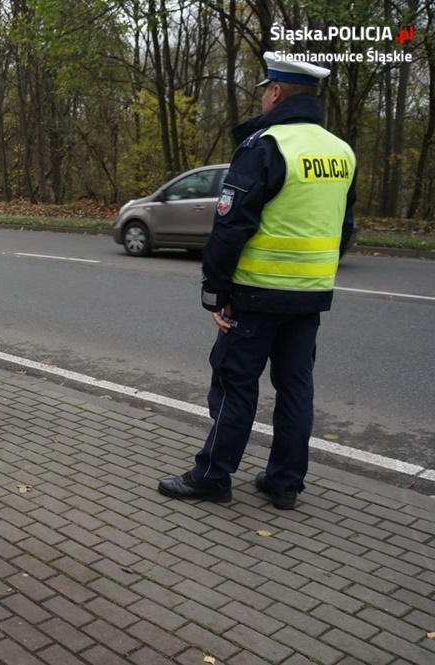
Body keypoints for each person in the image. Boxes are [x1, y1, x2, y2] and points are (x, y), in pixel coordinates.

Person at [158, 52, 357, 510]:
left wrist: (217, 291)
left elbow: (231, 226)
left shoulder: (266, 145)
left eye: (265, 90)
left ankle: (212, 476)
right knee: (296, 387)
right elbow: (345, 227)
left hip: (257, 292)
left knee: (235, 384)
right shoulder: (340, 150)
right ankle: (285, 483)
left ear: (274, 93)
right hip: (309, 296)